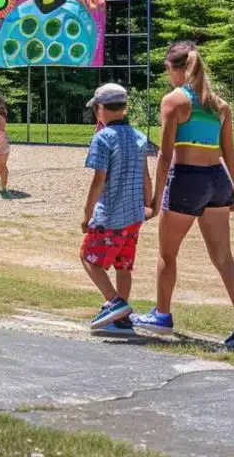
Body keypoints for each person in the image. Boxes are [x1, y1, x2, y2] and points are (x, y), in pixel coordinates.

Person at [131, 41, 234, 348]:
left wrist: (155, 199)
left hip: (186, 179)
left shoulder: (174, 101)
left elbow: (165, 155)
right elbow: (229, 154)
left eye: (167, 69)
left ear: (177, 69)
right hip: (218, 181)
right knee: (224, 258)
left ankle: (162, 315)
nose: (167, 76)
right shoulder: (220, 105)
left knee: (167, 254)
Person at [81, 83, 153, 334]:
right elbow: (146, 176)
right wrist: (149, 204)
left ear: (101, 109)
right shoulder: (139, 137)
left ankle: (115, 302)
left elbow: (98, 179)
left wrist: (87, 213)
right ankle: (121, 319)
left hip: (110, 213)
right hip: (134, 214)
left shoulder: (103, 138)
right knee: (124, 264)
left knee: (89, 258)